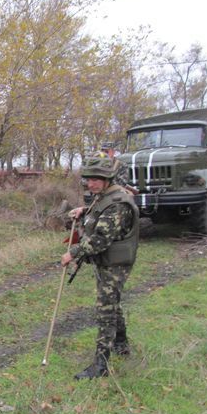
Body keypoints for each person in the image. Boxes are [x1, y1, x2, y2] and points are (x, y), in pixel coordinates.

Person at [62, 154, 139, 379]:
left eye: (97, 178)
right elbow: (100, 210)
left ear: (108, 178)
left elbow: (100, 240)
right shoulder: (105, 195)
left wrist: (72, 253)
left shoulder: (118, 203)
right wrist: (84, 210)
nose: (92, 183)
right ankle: (122, 345)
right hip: (108, 261)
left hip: (115, 263)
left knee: (105, 310)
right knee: (113, 303)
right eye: (89, 178)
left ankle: (101, 365)